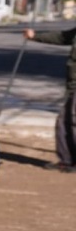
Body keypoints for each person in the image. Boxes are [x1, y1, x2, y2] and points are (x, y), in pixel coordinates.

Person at [23, 25, 76, 171]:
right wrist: (34, 36)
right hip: (72, 85)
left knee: (73, 119)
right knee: (64, 121)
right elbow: (61, 37)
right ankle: (67, 160)